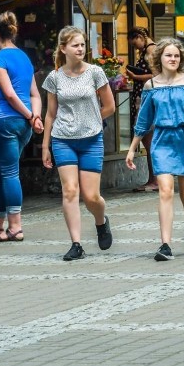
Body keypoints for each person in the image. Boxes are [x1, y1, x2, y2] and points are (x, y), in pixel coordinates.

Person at [125, 38, 184, 262]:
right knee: (164, 191)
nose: (172, 59)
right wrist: (132, 148)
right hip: (162, 141)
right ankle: (165, 244)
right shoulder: (151, 86)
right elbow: (143, 121)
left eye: (176, 55)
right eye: (168, 55)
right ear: (159, 58)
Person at [41, 26, 116, 261]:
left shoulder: (95, 73)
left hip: (91, 139)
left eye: (83, 44)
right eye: (75, 45)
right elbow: (50, 114)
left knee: (92, 196)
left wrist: (91, 120)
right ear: (63, 49)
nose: (80, 48)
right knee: (70, 191)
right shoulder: (54, 78)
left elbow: (110, 106)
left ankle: (101, 221)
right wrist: (45, 146)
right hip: (63, 139)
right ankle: (76, 243)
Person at [0, 12, 44, 242]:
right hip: (23, 126)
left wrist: (29, 116)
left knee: (8, 172)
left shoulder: (0, 59)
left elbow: (8, 94)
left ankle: (15, 226)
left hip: (5, 121)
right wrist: (35, 116)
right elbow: (34, 93)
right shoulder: (25, 58)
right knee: (1, 171)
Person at [127, 27, 159, 193]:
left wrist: (135, 77)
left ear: (140, 37)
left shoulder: (151, 50)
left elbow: (156, 74)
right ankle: (153, 179)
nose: (136, 48)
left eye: (135, 44)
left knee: (149, 141)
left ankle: (155, 180)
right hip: (144, 97)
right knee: (148, 141)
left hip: (147, 98)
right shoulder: (150, 49)